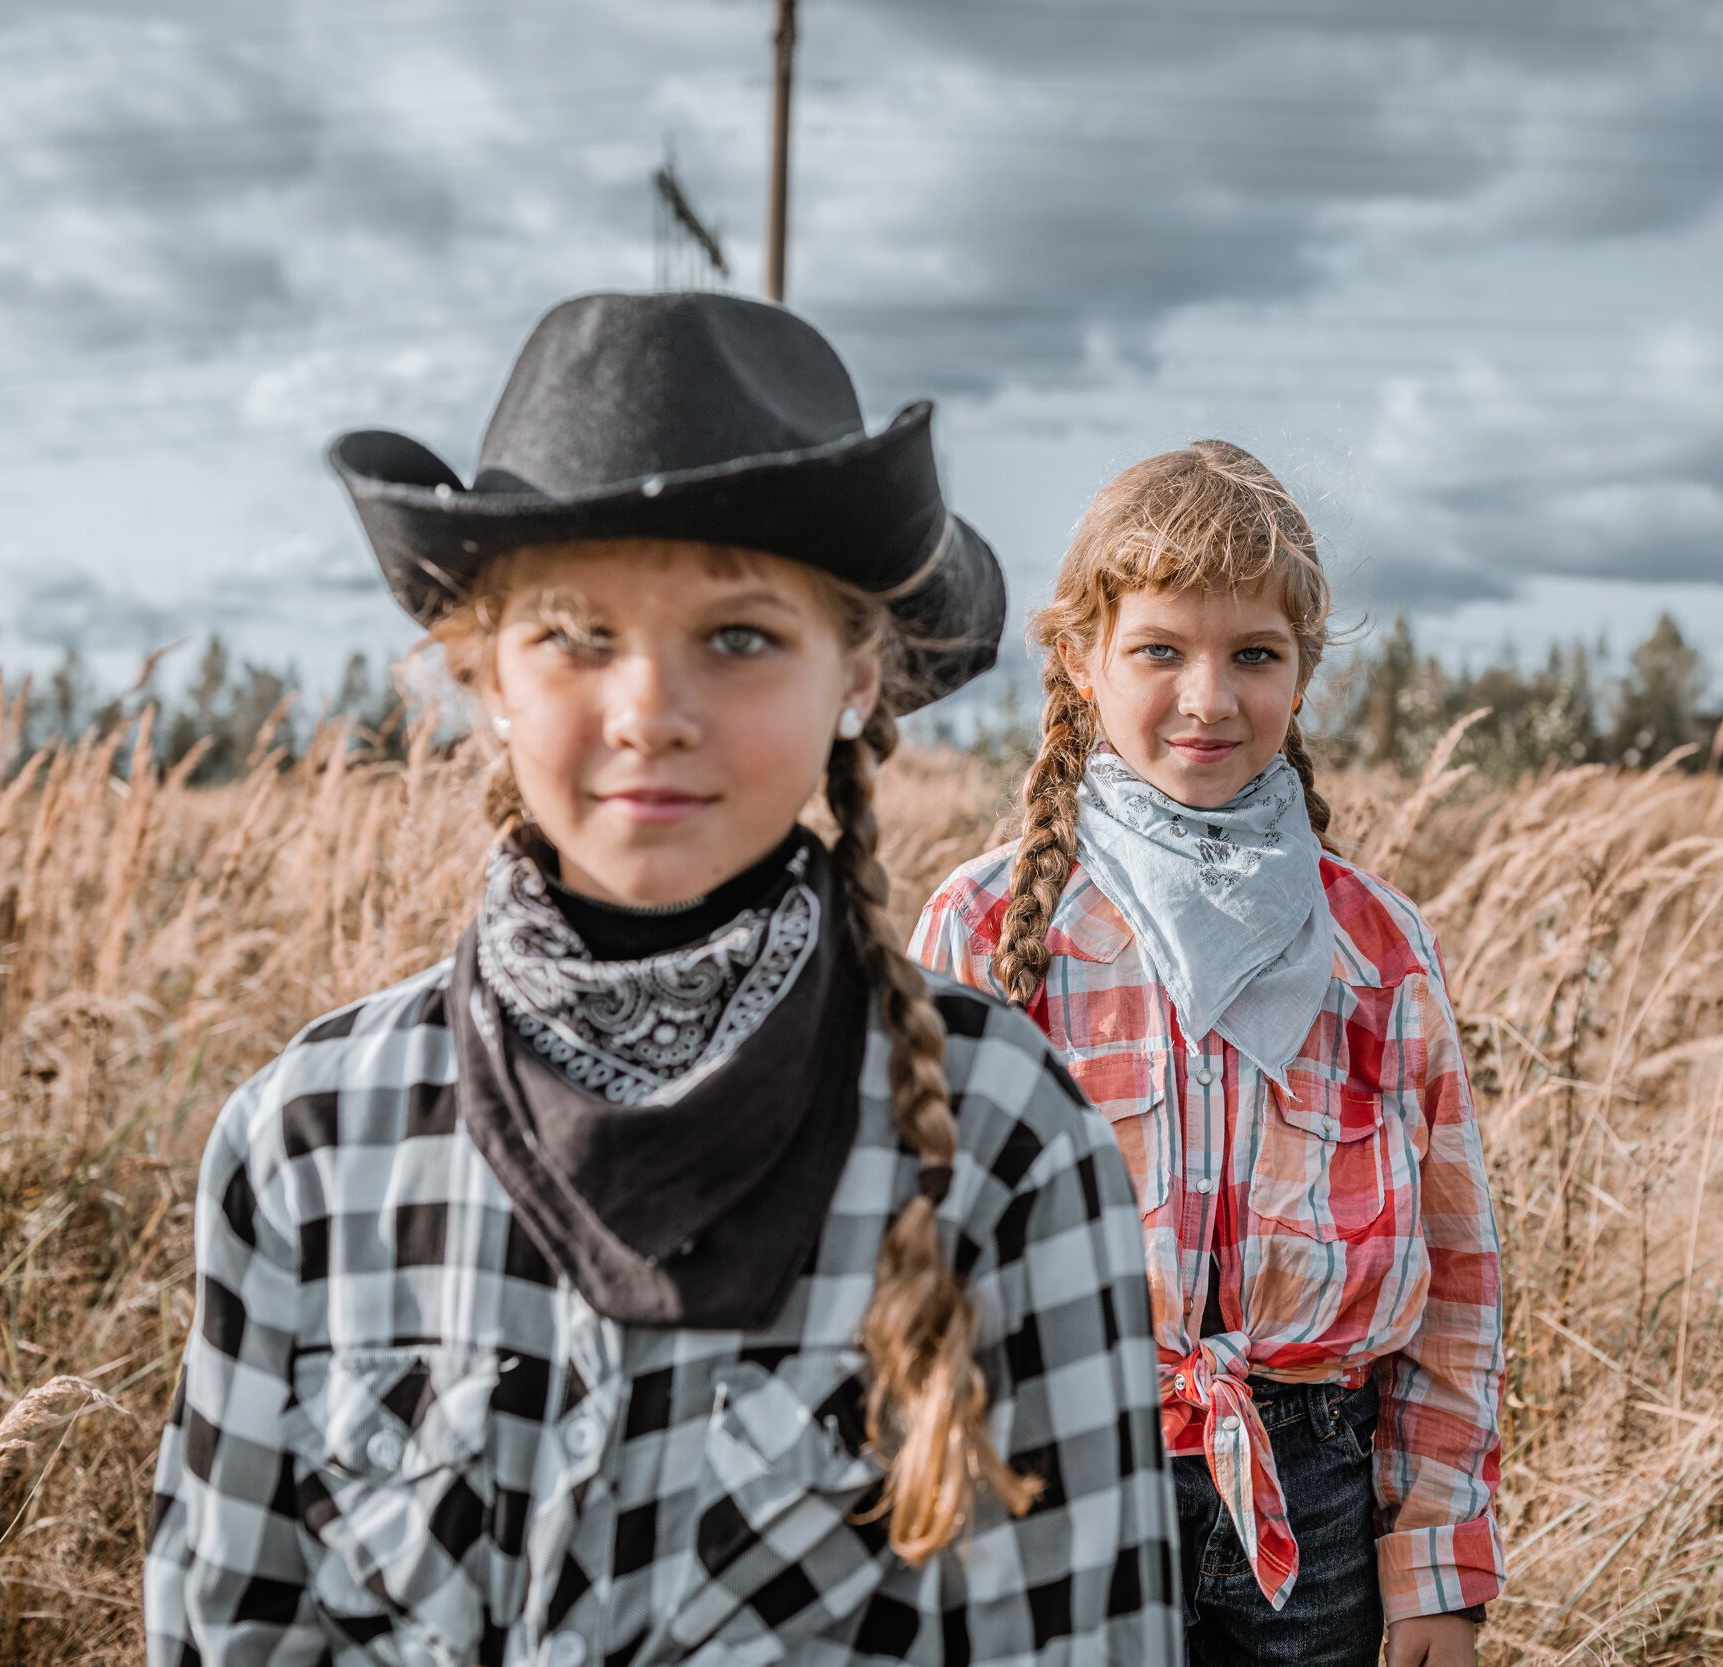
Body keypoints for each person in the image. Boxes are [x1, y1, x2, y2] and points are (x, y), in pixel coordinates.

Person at [145, 292, 1180, 1666]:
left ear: (857, 676)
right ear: (484, 673)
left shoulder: (1004, 1139)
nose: (650, 707)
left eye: (741, 636)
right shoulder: (313, 1139)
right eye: (575, 635)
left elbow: (1081, 1637)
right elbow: (230, 1626)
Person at [911, 442, 1506, 1667]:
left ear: (1300, 672)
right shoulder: (981, 930)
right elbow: (912, 1261)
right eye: (1160, 650)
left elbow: (1456, 1272)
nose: (1208, 698)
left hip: (1319, 1494)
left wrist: (1436, 1558)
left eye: (1254, 655)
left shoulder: (1373, 944)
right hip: (1057, 1474)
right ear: (1078, 659)